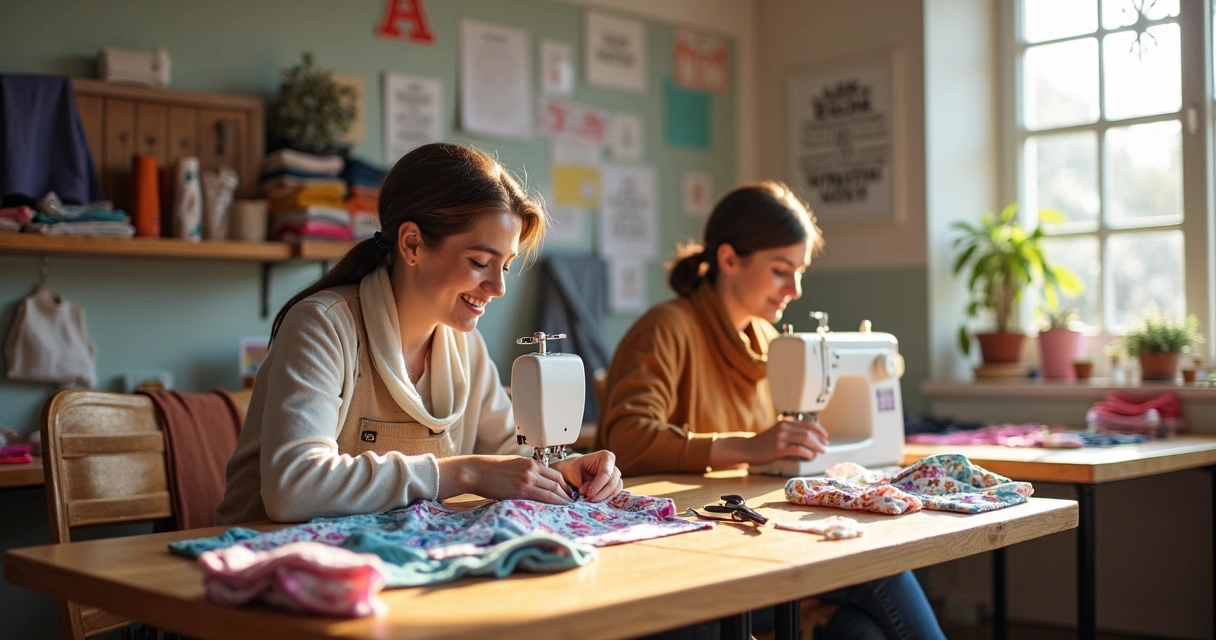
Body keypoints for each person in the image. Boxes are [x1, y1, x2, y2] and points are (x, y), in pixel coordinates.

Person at [598, 181, 944, 639]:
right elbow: (627, 439)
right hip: (690, 552)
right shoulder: (666, 329)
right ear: (728, 260)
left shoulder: (768, 343)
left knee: (860, 632)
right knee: (881, 572)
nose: (796, 289)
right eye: (782, 270)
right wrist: (749, 447)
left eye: (799, 272)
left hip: (749, 535)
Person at [217, 143, 623, 525]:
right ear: (412, 244)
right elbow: (294, 487)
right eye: (481, 261)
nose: (498, 288)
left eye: (506, 266)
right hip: (260, 562)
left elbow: (507, 454)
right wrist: (464, 472)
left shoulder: (466, 348)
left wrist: (561, 470)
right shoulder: (323, 327)